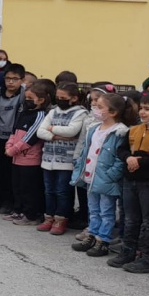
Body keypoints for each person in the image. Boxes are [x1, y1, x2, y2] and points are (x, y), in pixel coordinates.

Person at [71, 93, 137, 257]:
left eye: (100, 107)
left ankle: (103, 240)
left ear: (113, 112)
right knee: (93, 209)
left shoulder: (120, 132)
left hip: (106, 179)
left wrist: (110, 175)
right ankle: (92, 236)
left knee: (106, 211)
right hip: (91, 176)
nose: (95, 109)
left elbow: (120, 158)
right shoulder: (94, 129)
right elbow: (87, 151)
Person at [36, 82, 87, 236]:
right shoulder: (53, 111)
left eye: (63, 97)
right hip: (48, 158)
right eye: (58, 97)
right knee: (49, 190)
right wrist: (56, 134)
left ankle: (61, 218)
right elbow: (40, 131)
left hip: (66, 160)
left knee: (62, 191)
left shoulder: (80, 113)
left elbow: (72, 130)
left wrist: (51, 129)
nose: (59, 100)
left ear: (74, 98)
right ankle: (49, 217)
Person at [4, 80, 50, 225]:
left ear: (41, 100)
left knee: (28, 189)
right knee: (16, 186)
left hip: (29, 159)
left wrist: (14, 149)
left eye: (31, 99)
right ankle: (18, 210)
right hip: (15, 157)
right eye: (26, 98)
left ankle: (31, 215)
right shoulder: (23, 113)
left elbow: (31, 136)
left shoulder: (40, 115)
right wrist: (9, 145)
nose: (27, 101)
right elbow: (14, 131)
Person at [114, 93, 149, 272]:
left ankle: (147, 257)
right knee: (130, 219)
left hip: (148, 182)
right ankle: (128, 251)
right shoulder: (134, 129)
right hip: (131, 180)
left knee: (148, 221)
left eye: (148, 109)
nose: (143, 113)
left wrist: (139, 162)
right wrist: (128, 158)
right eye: (142, 108)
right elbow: (121, 149)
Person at [0, 63, 27, 212]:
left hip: (15, 138)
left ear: (22, 80)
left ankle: (9, 201)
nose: (10, 82)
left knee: (11, 173)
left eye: (15, 79)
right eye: (7, 78)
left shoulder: (24, 95)